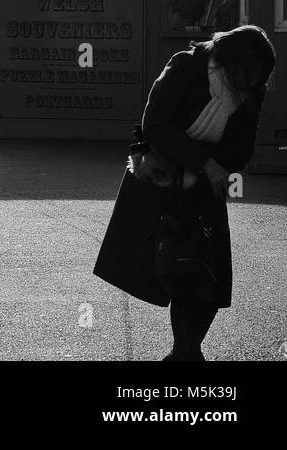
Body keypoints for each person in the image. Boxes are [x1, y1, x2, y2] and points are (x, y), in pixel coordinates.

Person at [94, 25, 276, 361]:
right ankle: (186, 353)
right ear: (232, 61)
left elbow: (242, 149)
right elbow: (156, 124)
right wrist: (202, 163)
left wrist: (206, 168)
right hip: (166, 182)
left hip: (206, 189)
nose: (254, 83)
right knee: (179, 270)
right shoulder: (185, 67)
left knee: (210, 278)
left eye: (260, 76)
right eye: (251, 73)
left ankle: (186, 352)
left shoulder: (252, 88)